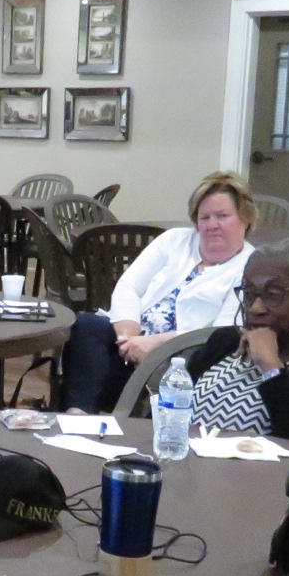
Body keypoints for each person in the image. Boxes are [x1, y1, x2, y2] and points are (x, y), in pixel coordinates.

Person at [59, 172, 258, 414]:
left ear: (245, 218)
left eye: (222, 216)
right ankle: (77, 416)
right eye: (204, 217)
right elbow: (128, 286)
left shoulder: (251, 266)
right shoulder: (174, 240)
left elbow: (222, 335)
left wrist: (155, 344)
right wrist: (128, 336)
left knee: (92, 371)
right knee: (86, 325)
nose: (212, 225)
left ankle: (90, 415)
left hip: (178, 363)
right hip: (130, 347)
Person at [184, 238, 289, 448]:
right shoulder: (224, 342)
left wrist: (271, 369)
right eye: (249, 293)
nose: (256, 308)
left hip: (265, 479)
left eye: (273, 295)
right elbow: (166, 413)